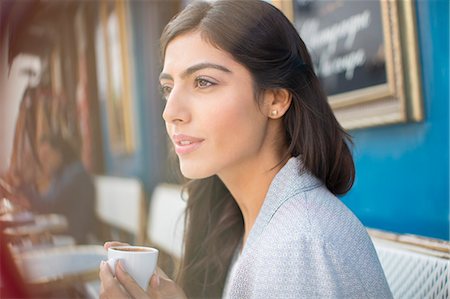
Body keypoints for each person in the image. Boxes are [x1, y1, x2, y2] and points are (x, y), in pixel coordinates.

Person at [99, 0, 392, 298]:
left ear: (275, 100)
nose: (170, 111)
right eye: (167, 88)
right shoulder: (243, 220)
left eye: (203, 82)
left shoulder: (298, 246)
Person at [21, 135, 96, 244]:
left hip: (78, 240)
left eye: (46, 156)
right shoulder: (62, 173)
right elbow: (48, 201)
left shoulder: (75, 174)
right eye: (42, 159)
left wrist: (24, 189)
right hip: (67, 235)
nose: (44, 162)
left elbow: (50, 204)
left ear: (59, 153)